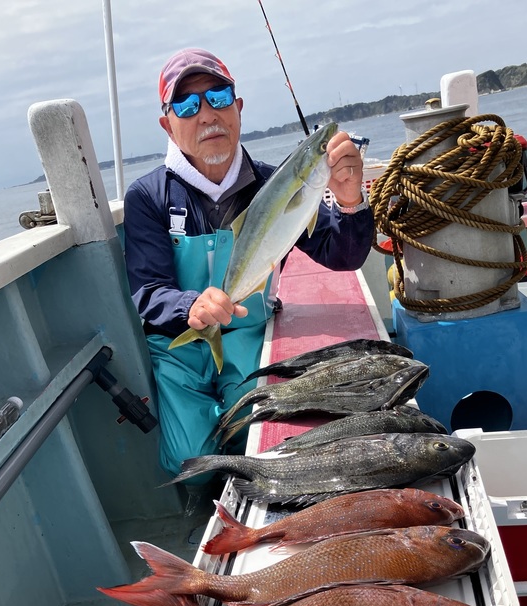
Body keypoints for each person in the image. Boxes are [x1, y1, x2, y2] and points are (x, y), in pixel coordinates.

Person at [123, 47, 374, 480]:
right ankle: (201, 502)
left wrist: (351, 199)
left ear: (237, 107)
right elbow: (148, 291)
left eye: (218, 98)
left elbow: (344, 255)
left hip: (249, 330)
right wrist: (191, 307)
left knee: (254, 436)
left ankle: (246, 502)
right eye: (186, 105)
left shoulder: (271, 184)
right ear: (168, 124)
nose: (206, 115)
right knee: (190, 459)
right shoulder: (149, 197)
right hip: (178, 342)